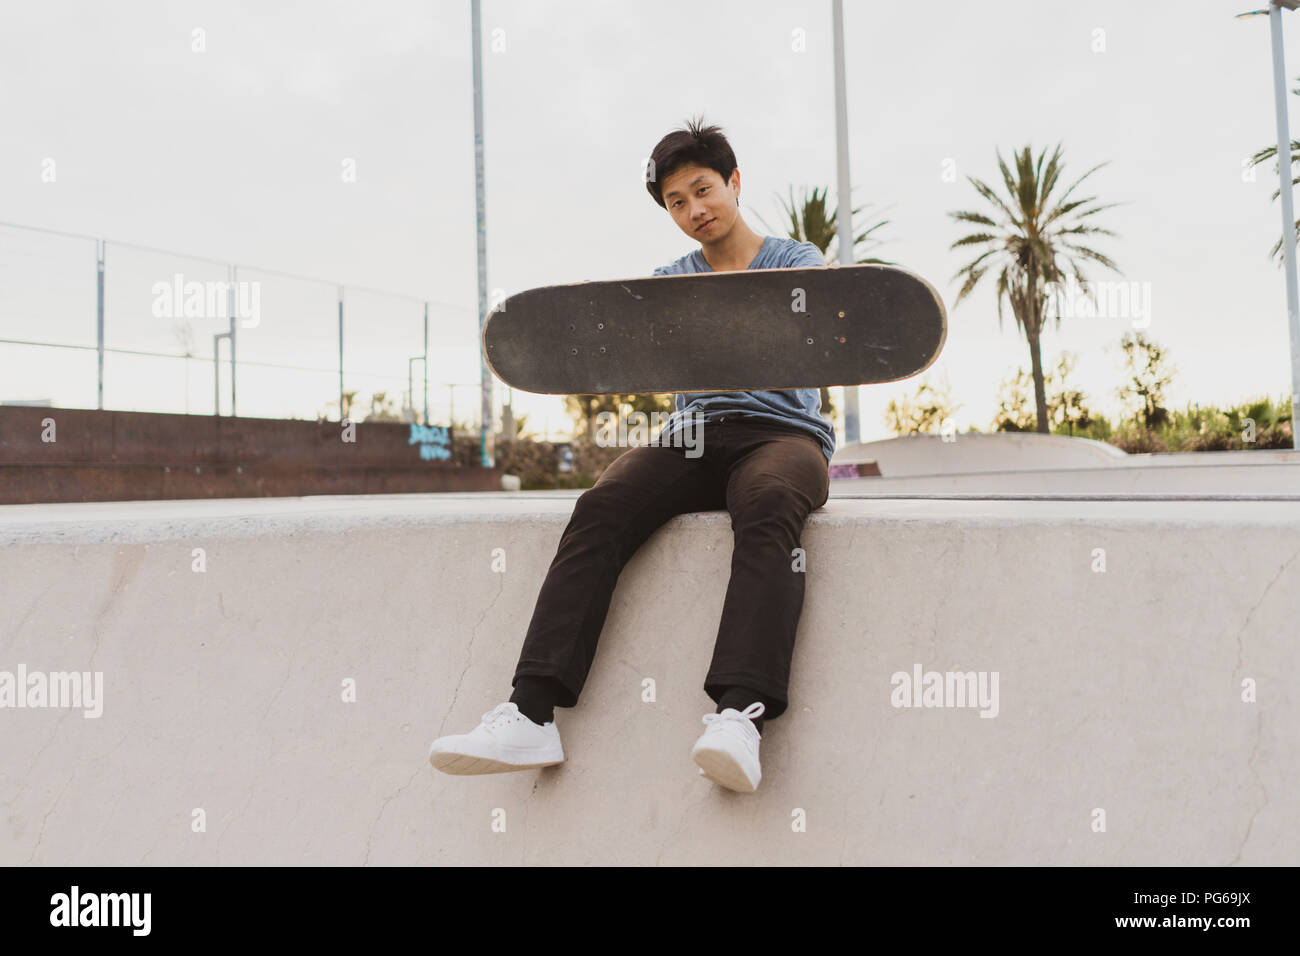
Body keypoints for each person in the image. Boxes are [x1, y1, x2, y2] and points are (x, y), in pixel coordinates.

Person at [429, 117, 835, 793]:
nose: (694, 210)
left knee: (768, 504)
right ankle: (531, 714)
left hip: (783, 437)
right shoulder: (668, 281)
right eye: (677, 202)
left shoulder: (798, 263)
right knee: (601, 506)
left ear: (734, 183)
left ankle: (740, 716)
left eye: (703, 190)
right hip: (693, 435)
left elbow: (818, 339)